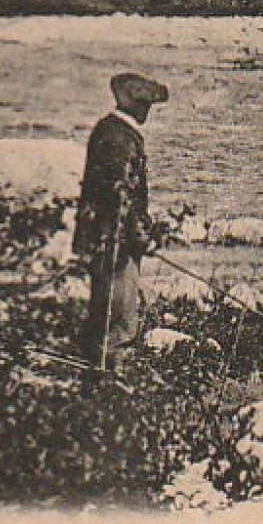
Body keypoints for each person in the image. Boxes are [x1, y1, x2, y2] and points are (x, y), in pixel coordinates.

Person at [73, 72, 168, 372]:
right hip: (115, 246)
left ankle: (95, 376)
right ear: (137, 107)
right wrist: (143, 238)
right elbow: (121, 199)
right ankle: (107, 384)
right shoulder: (122, 139)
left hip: (99, 240)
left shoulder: (106, 130)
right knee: (120, 322)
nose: (147, 113)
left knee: (102, 314)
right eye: (146, 107)